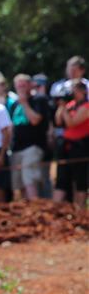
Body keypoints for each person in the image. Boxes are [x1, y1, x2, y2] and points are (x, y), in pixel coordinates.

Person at [8, 74, 51, 200]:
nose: (21, 88)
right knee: (19, 183)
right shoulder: (14, 104)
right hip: (16, 148)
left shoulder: (39, 99)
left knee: (29, 179)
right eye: (18, 86)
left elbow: (35, 120)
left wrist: (24, 103)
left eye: (23, 85)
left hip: (33, 146)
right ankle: (25, 209)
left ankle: (34, 207)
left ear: (30, 85)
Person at [53, 81, 89, 209]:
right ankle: (56, 209)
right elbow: (58, 122)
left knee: (80, 180)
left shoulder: (86, 106)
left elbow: (71, 123)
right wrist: (61, 106)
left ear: (83, 91)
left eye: (75, 90)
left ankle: (80, 210)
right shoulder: (71, 105)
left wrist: (64, 109)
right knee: (62, 178)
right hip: (66, 146)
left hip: (81, 147)